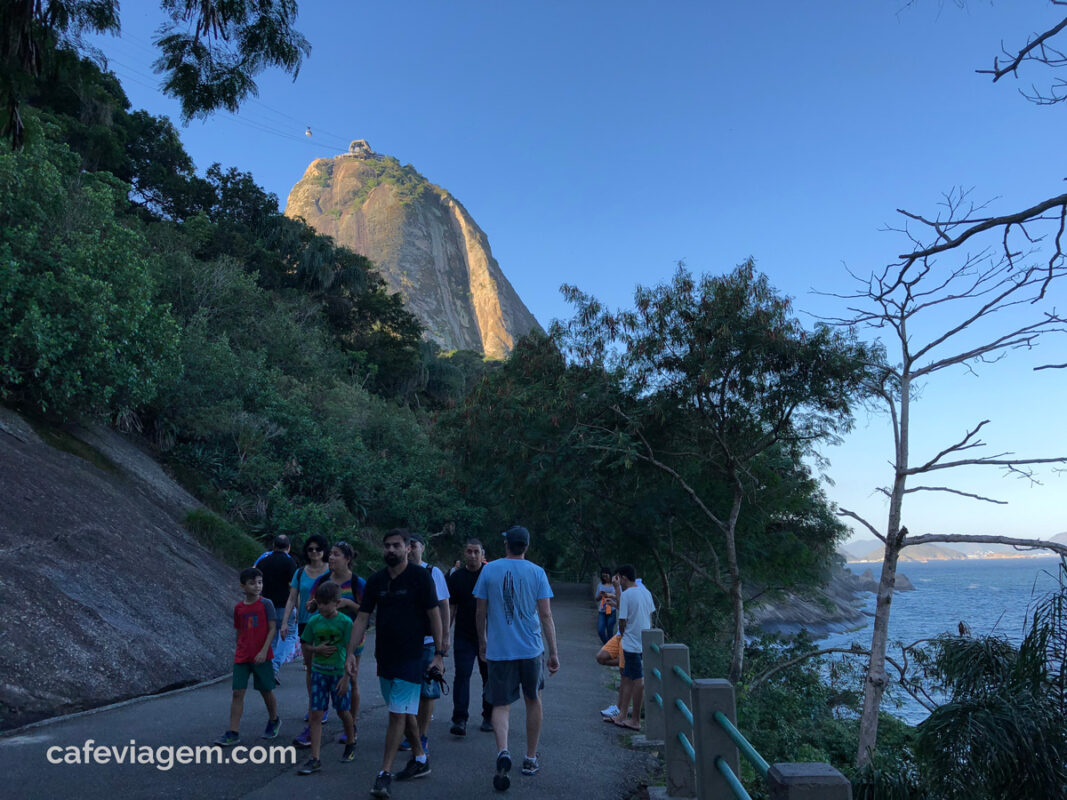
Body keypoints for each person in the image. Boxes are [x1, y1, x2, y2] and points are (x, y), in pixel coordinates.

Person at [345, 529, 445, 799]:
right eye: (387, 546)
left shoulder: (420, 577)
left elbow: (435, 616)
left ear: (408, 548)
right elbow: (362, 619)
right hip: (385, 657)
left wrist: (439, 654)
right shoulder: (376, 581)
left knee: (397, 715)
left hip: (412, 657)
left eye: (396, 546)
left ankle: (384, 774)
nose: (391, 550)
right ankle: (421, 760)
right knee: (403, 711)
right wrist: (350, 655)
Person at [474, 525, 559, 791]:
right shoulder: (537, 572)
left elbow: (480, 611)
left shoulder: (489, 570)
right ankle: (530, 758)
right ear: (527, 546)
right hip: (531, 649)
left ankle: (503, 750)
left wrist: (483, 641)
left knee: (501, 704)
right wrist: (553, 652)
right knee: (533, 699)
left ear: (506, 544)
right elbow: (545, 615)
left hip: (501, 650)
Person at [294, 541, 365, 748]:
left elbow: (368, 611)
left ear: (348, 559)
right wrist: (312, 604)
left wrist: (349, 604)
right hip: (326, 639)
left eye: (336, 554)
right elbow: (314, 600)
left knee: (350, 680)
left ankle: (351, 725)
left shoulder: (357, 583)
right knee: (319, 678)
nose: (331, 558)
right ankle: (316, 720)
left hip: (352, 639)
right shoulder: (324, 580)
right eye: (331, 554)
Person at [295, 580, 357, 775]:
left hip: (338, 672)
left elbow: (350, 651)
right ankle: (315, 758)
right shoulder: (314, 621)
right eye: (319, 603)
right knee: (316, 714)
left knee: (343, 711)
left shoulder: (346, 623)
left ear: (337, 603)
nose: (321, 607)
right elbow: (305, 644)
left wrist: (347, 678)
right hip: (319, 673)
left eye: (325, 603)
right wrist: (316, 650)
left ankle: (351, 740)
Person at [213, 567, 280, 746]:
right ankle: (233, 731)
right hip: (243, 655)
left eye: (259, 582)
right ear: (243, 586)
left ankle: (274, 719)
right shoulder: (239, 608)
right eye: (252, 583)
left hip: (261, 655)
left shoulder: (266, 604)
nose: (257, 586)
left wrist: (264, 651)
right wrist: (239, 649)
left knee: (266, 690)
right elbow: (239, 630)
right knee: (237, 693)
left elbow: (272, 628)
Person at [399, 532, 450, 755]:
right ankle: (410, 733)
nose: (411, 550)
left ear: (423, 548)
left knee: (428, 690)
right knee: (407, 688)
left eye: (414, 546)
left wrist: (444, 638)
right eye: (407, 546)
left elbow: (444, 606)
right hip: (406, 640)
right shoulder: (399, 573)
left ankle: (422, 734)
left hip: (429, 641)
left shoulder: (433, 572)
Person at [281, 534, 331, 735]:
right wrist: (285, 622)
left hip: (328, 624)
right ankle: (316, 706)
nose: (314, 553)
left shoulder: (331, 570)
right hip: (305, 623)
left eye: (318, 549)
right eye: (310, 549)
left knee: (327, 667)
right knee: (310, 668)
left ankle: (323, 706)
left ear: (324, 550)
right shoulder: (300, 572)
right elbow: (292, 597)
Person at [447, 537, 493, 736]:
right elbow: (451, 607)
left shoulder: (490, 575)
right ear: (464, 553)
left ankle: (489, 716)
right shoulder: (456, 577)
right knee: (462, 676)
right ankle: (460, 719)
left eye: (476, 552)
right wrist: (443, 636)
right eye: (469, 551)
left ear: (483, 554)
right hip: (463, 636)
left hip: (489, 636)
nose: (473, 555)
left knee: (489, 677)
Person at [611, 564, 656, 731]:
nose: (619, 582)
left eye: (619, 578)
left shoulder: (627, 594)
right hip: (643, 641)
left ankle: (635, 719)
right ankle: (622, 715)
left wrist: (624, 635)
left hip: (631, 643)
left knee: (637, 681)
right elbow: (650, 616)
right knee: (628, 678)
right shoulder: (646, 592)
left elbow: (622, 620)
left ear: (623, 578)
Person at [255, 535, 298, 683]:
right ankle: (273, 667)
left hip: (265, 605)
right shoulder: (289, 562)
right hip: (284, 606)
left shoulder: (263, 561)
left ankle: (266, 669)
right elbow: (294, 587)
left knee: (270, 638)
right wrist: (297, 607)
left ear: (274, 545)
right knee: (290, 635)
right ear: (288, 547)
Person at [596, 633, 625, 719]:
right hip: (620, 635)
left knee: (624, 674)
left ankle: (619, 708)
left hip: (629, 636)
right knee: (601, 657)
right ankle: (625, 662)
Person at [594, 567, 618, 644]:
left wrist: (610, 595)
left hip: (612, 610)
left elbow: (619, 596)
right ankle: (607, 645)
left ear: (610, 575)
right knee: (600, 631)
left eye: (606, 576)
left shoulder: (615, 585)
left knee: (610, 631)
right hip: (602, 610)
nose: (605, 578)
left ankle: (610, 650)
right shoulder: (600, 585)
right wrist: (601, 595)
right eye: (603, 576)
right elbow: (596, 598)